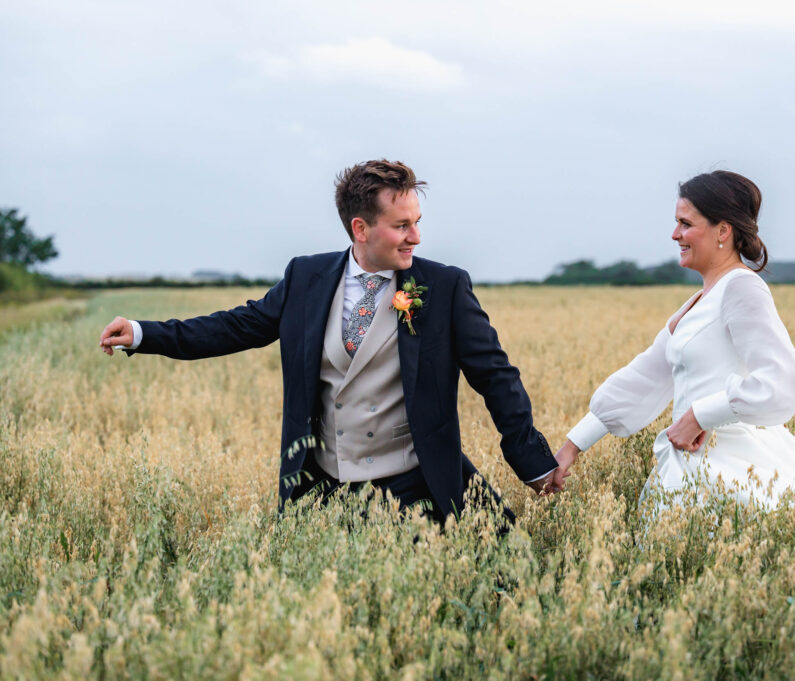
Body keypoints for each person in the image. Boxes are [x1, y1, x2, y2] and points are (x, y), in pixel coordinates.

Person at [99, 159, 564, 523]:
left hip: (416, 484)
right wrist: (144, 334)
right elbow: (237, 326)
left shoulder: (444, 288)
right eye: (402, 225)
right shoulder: (306, 277)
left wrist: (535, 464)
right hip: (322, 491)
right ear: (361, 228)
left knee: (500, 582)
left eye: (417, 222)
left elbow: (496, 377)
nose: (416, 237)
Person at [551, 170, 795, 527]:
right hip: (691, 461)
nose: (675, 234)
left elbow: (781, 381)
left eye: (685, 223)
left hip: (736, 464)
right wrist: (571, 448)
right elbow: (643, 378)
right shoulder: (695, 304)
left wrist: (698, 416)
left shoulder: (741, 288)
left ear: (723, 231)